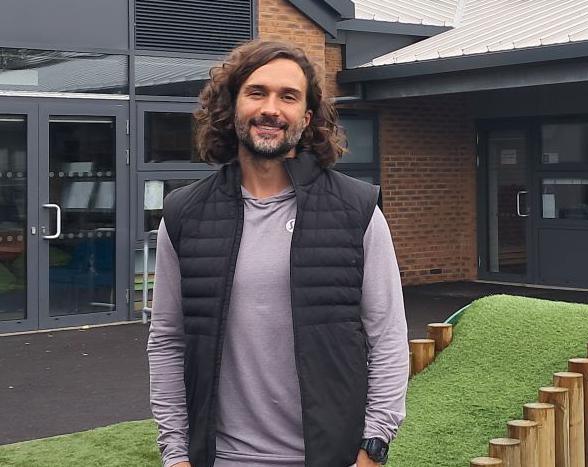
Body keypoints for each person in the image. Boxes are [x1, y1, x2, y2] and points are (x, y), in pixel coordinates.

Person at [147, 40, 410, 467]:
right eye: (257, 92)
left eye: (288, 97)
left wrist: (374, 446)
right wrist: (176, 454)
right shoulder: (184, 214)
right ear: (232, 107)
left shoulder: (356, 210)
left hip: (330, 456)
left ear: (305, 119)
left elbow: (388, 337)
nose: (271, 108)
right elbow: (167, 340)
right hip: (222, 458)